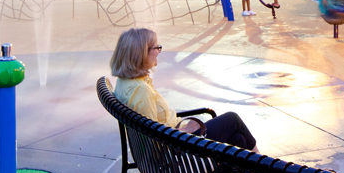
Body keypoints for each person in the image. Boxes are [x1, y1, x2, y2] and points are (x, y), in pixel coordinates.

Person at [110, 28, 259, 152]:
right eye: (157, 48)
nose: (159, 51)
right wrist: (185, 131)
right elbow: (152, 142)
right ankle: (267, 172)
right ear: (142, 53)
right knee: (232, 119)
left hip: (176, 136)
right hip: (179, 148)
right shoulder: (140, 91)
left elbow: (151, 129)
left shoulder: (125, 82)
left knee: (237, 139)